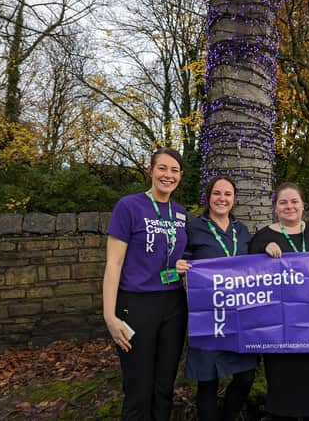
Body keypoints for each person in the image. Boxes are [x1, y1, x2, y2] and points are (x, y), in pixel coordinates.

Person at [102, 147, 190, 421]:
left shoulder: (181, 213)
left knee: (164, 386)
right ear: (151, 171)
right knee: (138, 388)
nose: (168, 175)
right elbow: (113, 263)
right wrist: (109, 315)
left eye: (174, 170)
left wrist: (182, 265)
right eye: (162, 168)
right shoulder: (129, 206)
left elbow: (181, 255)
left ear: (180, 176)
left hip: (174, 304)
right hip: (137, 304)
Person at [249, 182, 309, 421]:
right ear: (275, 207)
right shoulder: (263, 236)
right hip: (281, 329)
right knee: (284, 386)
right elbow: (248, 272)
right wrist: (263, 249)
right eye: (283, 202)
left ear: (302, 205)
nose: (289, 206)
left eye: (294, 201)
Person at [176, 176, 257, 421]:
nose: (222, 199)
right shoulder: (192, 228)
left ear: (234, 199)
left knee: (246, 376)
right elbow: (173, 261)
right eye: (217, 193)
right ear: (208, 197)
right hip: (208, 316)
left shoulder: (241, 231)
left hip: (239, 316)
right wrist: (176, 266)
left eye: (228, 194)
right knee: (208, 380)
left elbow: (256, 267)